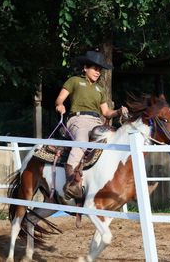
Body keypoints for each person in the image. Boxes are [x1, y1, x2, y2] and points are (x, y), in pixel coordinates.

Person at [55, 50, 128, 200]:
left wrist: (119, 112)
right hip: (78, 119)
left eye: (100, 70)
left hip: (97, 122)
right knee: (81, 140)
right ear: (85, 68)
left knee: (112, 141)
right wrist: (60, 105)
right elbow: (59, 99)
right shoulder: (74, 81)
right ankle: (71, 183)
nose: (98, 72)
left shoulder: (100, 89)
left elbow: (106, 112)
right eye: (95, 69)